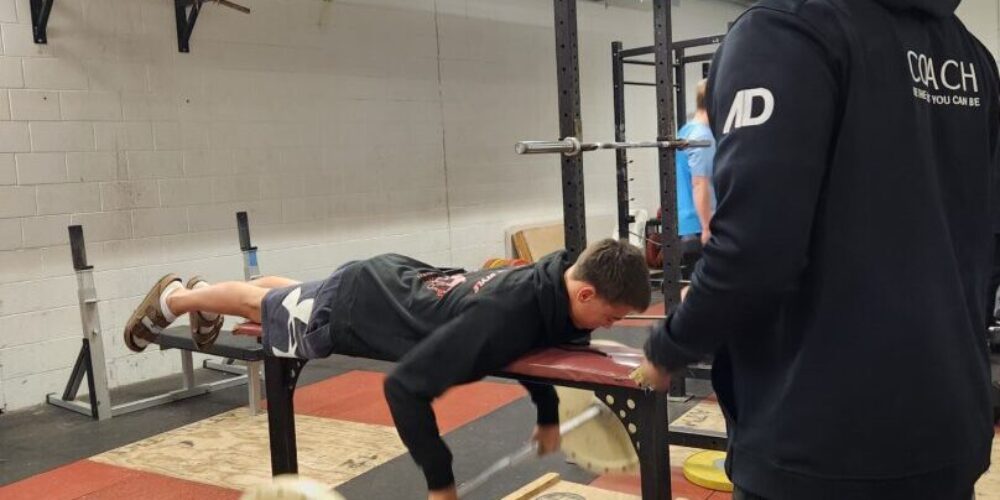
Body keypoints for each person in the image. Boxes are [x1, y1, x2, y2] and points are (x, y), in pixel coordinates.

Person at [633, 0, 999, 499]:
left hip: (817, 444)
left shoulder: (784, 31)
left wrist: (669, 347)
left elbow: (755, 251)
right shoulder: (972, 56)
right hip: (947, 429)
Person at [123, 238, 651, 500]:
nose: (606, 326)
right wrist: (441, 485)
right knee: (260, 309)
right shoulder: (506, 315)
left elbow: (543, 331)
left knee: (291, 296)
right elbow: (404, 389)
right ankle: (182, 297)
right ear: (583, 292)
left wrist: (547, 411)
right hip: (359, 307)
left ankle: (202, 296)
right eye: (609, 315)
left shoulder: (553, 279)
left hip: (394, 281)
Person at [676, 78, 718, 278]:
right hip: (699, 227)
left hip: (688, 224)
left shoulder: (687, 129)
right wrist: (707, 227)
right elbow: (699, 183)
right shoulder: (702, 136)